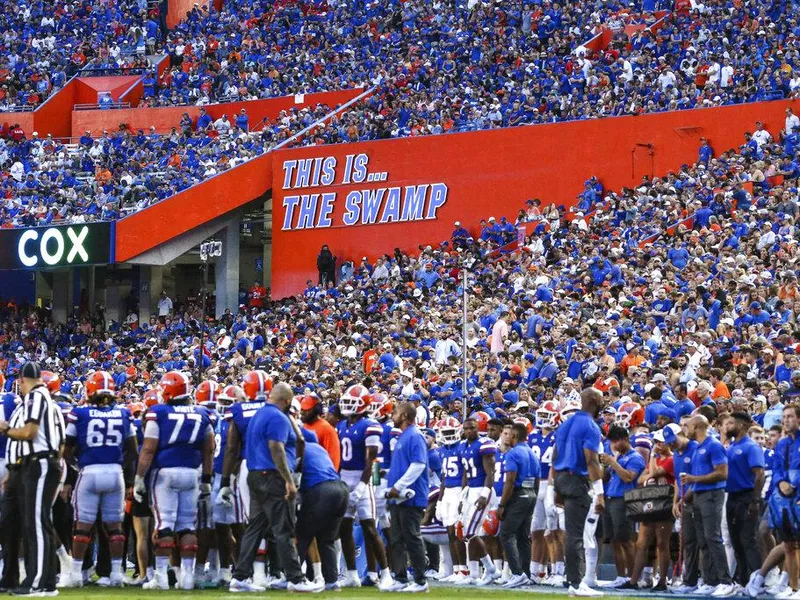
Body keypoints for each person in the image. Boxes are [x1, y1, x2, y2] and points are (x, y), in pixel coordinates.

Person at [228, 382, 321, 593]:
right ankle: (296, 579)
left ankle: (240, 577)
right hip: (273, 476)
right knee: (284, 529)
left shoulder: (259, 415)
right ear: (287, 401)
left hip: (254, 475)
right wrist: (288, 479)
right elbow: (276, 448)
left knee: (254, 528)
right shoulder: (278, 417)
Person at [133, 371, 214, 591]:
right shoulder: (201, 413)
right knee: (188, 526)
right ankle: (187, 577)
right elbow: (209, 450)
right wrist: (206, 478)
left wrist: (139, 477)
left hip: (165, 473)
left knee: (164, 525)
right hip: (192, 474)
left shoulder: (157, 413)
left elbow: (148, 449)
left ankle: (160, 577)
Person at [62, 371, 138, 588]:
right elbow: (132, 450)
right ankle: (114, 574)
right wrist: (118, 466)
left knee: (83, 526)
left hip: (89, 472)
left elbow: (67, 450)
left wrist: (79, 465)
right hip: (115, 474)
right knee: (115, 527)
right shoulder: (124, 413)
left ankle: (76, 574)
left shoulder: (79, 413)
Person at [0, 361, 65, 596]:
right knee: (25, 523)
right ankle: (41, 580)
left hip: (39, 464)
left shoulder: (37, 397)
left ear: (23, 380)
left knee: (36, 523)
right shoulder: (32, 401)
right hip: (25, 467)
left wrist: (5, 429)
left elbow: (29, 433)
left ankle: (38, 581)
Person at [552, 387, 604, 597]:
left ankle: (572, 579)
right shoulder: (591, 426)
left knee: (571, 533)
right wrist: (600, 492)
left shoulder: (565, 425)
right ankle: (576, 582)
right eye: (600, 401)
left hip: (562, 478)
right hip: (577, 479)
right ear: (593, 401)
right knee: (576, 534)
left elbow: (556, 456)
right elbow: (591, 459)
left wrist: (555, 488)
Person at [680, 414, 734, 596]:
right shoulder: (698, 448)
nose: (685, 430)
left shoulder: (714, 445)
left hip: (712, 495)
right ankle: (710, 581)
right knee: (703, 539)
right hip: (698, 495)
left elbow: (722, 473)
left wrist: (694, 479)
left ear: (696, 426)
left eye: (687, 426)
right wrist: (685, 497)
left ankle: (726, 581)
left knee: (713, 537)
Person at [384, 401, 430, 593]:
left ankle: (420, 581)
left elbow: (418, 465)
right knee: (396, 538)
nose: (392, 415)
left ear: (404, 416)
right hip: (398, 496)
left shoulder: (415, 435)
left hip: (410, 495)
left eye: (396, 412)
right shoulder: (404, 436)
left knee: (411, 537)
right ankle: (401, 578)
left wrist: (398, 486)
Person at [295, 430, 348, 591]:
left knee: (302, 534)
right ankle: (332, 581)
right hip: (341, 489)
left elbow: (296, 476)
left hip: (321, 490)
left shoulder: (299, 449)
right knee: (327, 539)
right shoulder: (319, 449)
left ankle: (295, 578)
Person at [724, 411, 765, 590]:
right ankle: (742, 579)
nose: (728, 426)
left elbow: (759, 474)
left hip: (746, 496)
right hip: (732, 496)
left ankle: (757, 580)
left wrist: (754, 501)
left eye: (731, 423)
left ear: (740, 425)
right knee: (736, 540)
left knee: (748, 540)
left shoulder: (750, 447)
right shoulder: (732, 446)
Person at [497, 421, 539, 589]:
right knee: (523, 537)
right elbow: (536, 479)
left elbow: (510, 481)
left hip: (518, 495)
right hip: (531, 494)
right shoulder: (532, 453)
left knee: (506, 534)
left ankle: (517, 573)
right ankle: (526, 574)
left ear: (514, 436)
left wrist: (502, 504)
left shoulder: (513, 454)